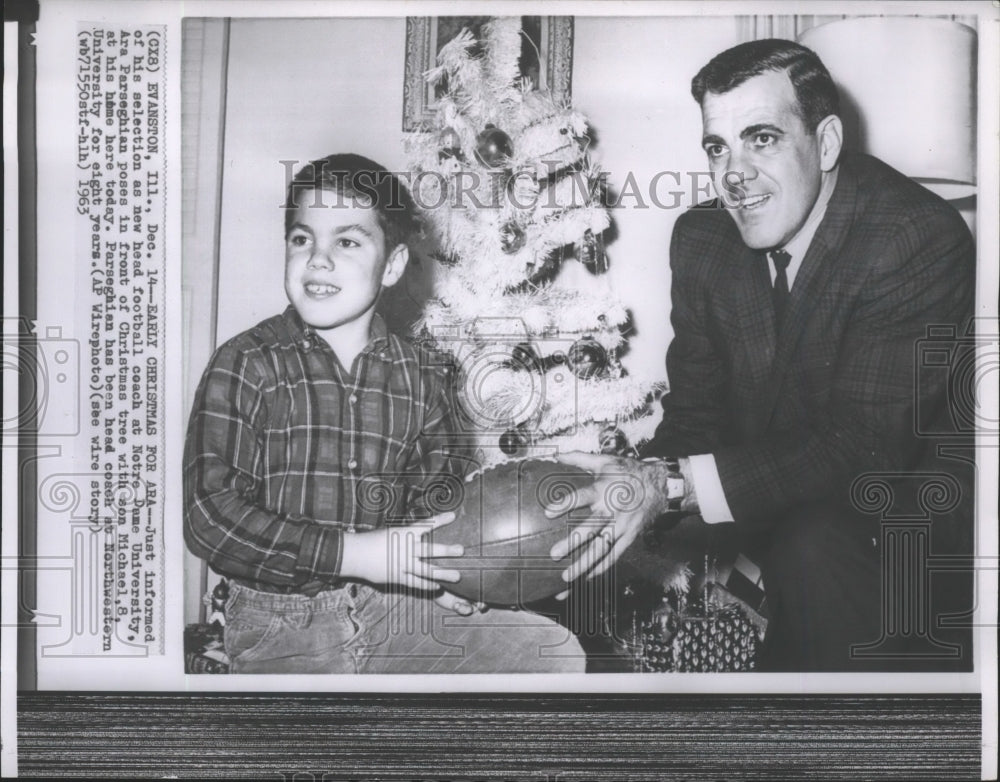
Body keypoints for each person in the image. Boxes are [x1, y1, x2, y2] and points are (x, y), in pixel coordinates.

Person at [548, 40, 975, 671]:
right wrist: (618, 501)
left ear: (826, 143)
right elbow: (695, 419)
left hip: (897, 521)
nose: (733, 175)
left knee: (811, 545)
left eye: (762, 139)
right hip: (773, 495)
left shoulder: (916, 235)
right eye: (718, 146)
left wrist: (667, 487)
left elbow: (861, 447)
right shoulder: (701, 241)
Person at [184, 153, 583, 674]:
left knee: (552, 656)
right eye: (303, 238)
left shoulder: (422, 373)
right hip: (278, 625)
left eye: (347, 241)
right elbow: (210, 517)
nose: (318, 259)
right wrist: (351, 554)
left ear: (392, 265)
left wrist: (442, 578)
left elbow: (434, 501)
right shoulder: (246, 362)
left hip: (390, 605)